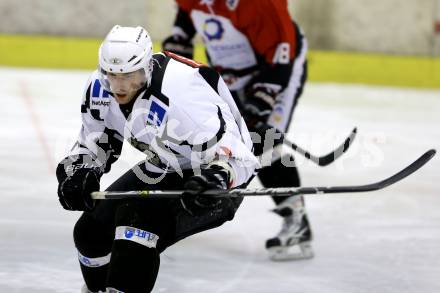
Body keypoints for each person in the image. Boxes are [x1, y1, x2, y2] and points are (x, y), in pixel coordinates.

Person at [56, 25, 259, 293]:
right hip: (164, 164)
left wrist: (216, 178)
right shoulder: (98, 89)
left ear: (146, 68)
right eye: (111, 75)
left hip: (214, 180)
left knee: (136, 223)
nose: (119, 86)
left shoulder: (183, 95)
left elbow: (240, 159)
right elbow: (96, 142)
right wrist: (79, 170)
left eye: (128, 75)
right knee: (90, 233)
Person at [162, 0, 313, 261]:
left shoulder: (262, 5)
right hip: (228, 69)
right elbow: (188, 13)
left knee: (262, 142)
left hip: (277, 69)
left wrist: (262, 98)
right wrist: (180, 36)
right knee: (208, 134)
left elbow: (281, 56)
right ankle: (178, 213)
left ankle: (296, 220)